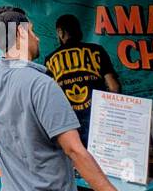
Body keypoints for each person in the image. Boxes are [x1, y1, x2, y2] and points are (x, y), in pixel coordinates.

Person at [0, 6, 151, 191]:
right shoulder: (42, 85)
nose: (38, 38)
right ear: (22, 33)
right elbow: (75, 151)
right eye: (34, 31)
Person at [43, 14, 121, 145]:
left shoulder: (51, 59)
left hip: (69, 125)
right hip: (98, 121)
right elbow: (114, 87)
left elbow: (50, 98)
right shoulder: (97, 50)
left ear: (60, 32)